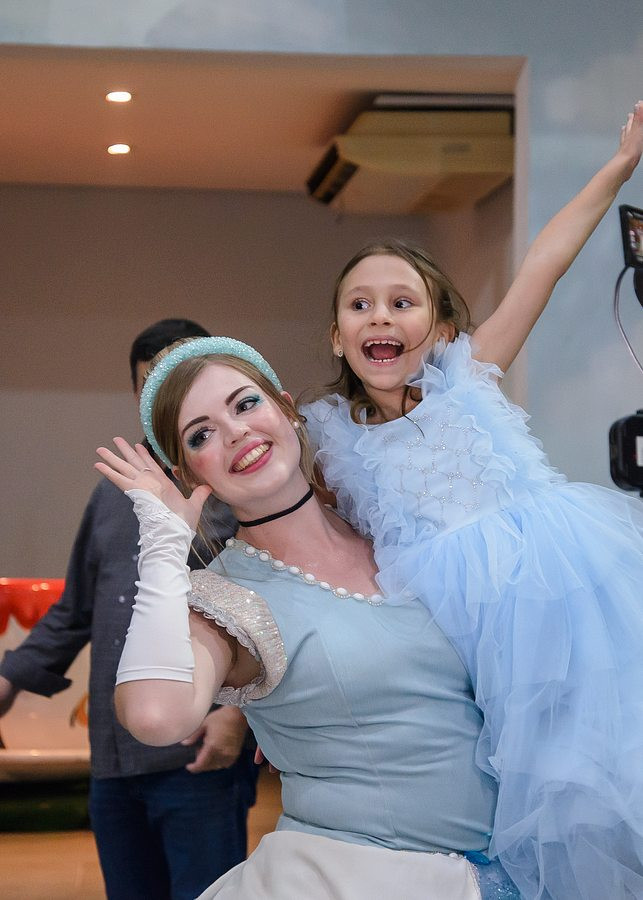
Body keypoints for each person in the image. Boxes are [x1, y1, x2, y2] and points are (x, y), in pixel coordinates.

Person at [300, 104, 643, 898]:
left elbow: (545, 262)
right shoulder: (335, 448)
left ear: (442, 327)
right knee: (522, 796)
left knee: (600, 770)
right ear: (336, 335)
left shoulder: (468, 378)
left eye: (402, 302)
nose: (380, 315)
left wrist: (619, 165)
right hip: (459, 641)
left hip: (562, 598)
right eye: (360, 305)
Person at [94, 335, 521, 899]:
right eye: (201, 434)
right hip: (355, 880)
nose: (235, 432)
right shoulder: (226, 599)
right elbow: (155, 718)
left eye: (246, 404)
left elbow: (472, 368)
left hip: (511, 866)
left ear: (286, 408)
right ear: (190, 476)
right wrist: (163, 547)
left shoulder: (389, 524)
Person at [0, 319, 258, 900]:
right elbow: (75, 611)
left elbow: (269, 613)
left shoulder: (236, 491)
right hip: (113, 759)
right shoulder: (111, 492)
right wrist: (9, 678)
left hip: (197, 753)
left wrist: (237, 718)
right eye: (151, 386)